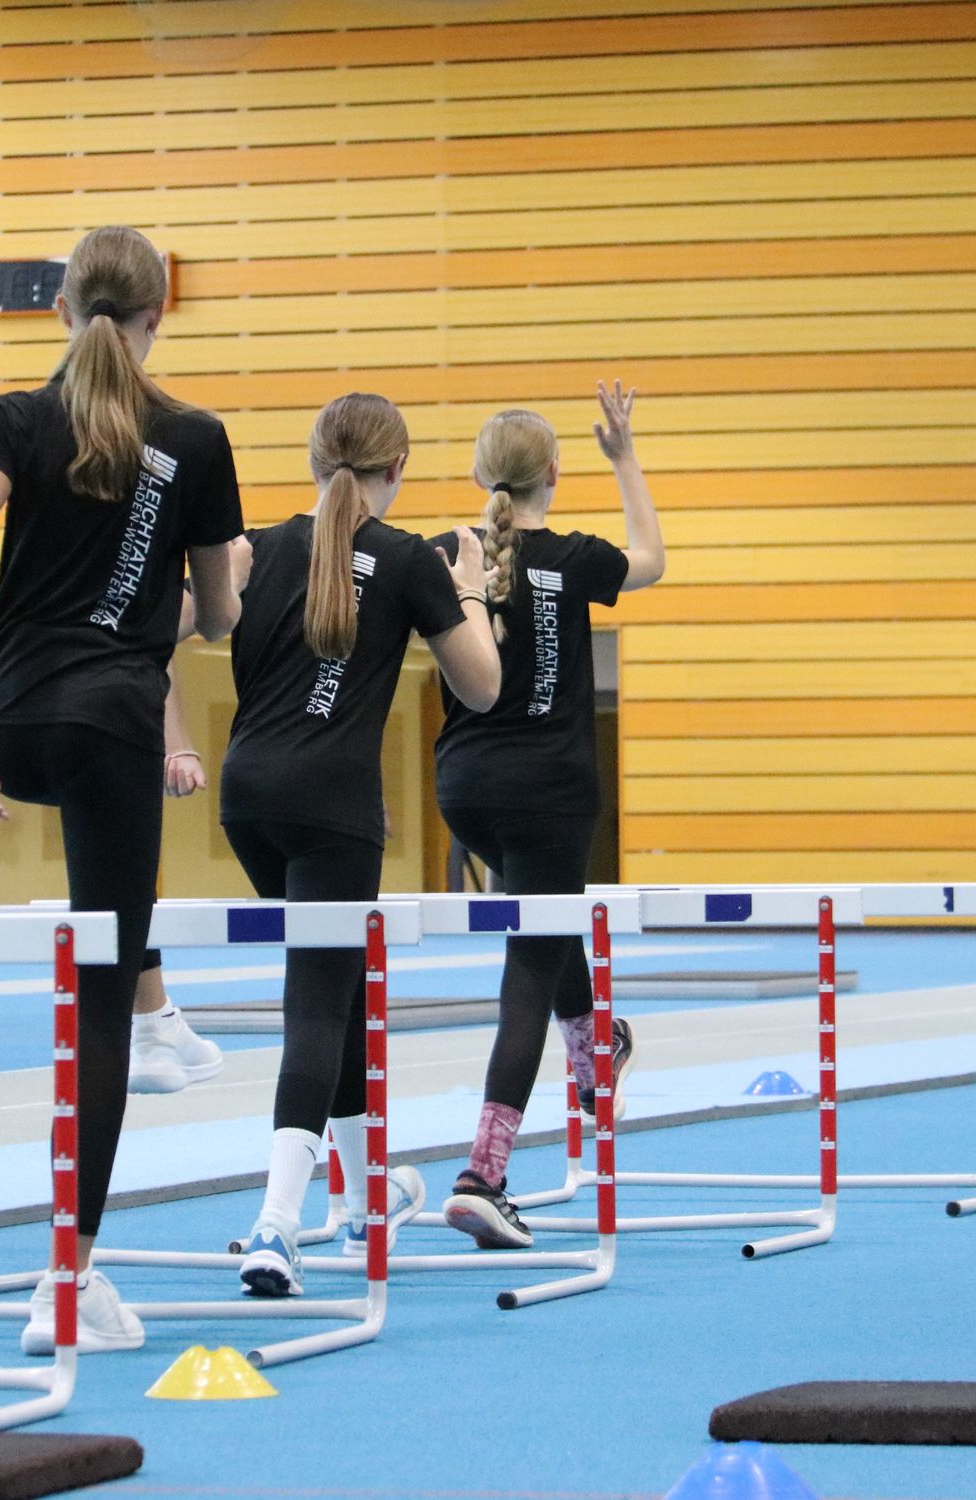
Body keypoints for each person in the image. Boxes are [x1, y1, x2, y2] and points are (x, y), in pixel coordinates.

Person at [0, 224, 243, 1354]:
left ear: (60, 311)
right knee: (99, 1001)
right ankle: (65, 1280)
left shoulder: (12, 417)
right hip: (110, 724)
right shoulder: (194, 439)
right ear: (159, 317)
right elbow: (216, 620)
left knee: (107, 946)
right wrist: (212, 580)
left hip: (12, 720)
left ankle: (157, 1017)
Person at [221, 392, 502, 1296]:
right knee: (316, 1005)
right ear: (397, 470)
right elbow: (484, 688)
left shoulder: (257, 548)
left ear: (313, 462)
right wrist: (467, 585)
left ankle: (363, 1198)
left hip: (247, 800)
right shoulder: (409, 559)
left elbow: (187, 626)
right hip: (332, 806)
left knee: (333, 994)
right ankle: (277, 1224)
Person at [432, 383, 666, 1249]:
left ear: (479, 476)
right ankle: (483, 1174)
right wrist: (625, 458)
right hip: (551, 793)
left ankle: (598, 1054)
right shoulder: (573, 558)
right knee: (528, 969)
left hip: (466, 792)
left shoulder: (449, 552)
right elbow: (652, 558)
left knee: (548, 917)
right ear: (555, 476)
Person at [124, 664, 227, 1094]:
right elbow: (182, 632)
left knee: (115, 883)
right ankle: (151, 1025)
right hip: (107, 725)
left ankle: (156, 1017)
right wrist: (179, 744)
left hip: (19, 707)